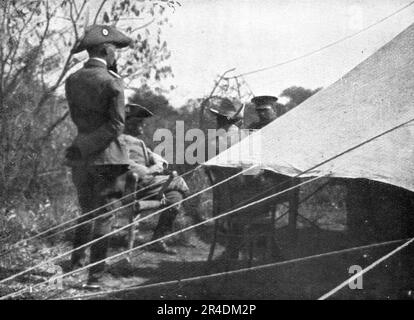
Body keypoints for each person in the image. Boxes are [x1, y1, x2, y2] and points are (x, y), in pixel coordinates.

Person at [64, 25, 132, 288]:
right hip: (107, 159)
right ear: (106, 49)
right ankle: (95, 278)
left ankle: (76, 265)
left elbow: (79, 119)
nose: (116, 55)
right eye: (115, 50)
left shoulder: (72, 80)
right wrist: (89, 146)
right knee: (104, 216)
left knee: (86, 212)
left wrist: (82, 147)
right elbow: (116, 125)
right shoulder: (112, 81)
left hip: (80, 158)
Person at [119, 103, 190, 255]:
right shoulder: (120, 141)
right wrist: (155, 168)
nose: (142, 125)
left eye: (142, 122)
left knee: (174, 197)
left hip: (145, 185)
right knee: (178, 182)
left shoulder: (139, 143)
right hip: (131, 187)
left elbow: (161, 161)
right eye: (138, 122)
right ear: (127, 123)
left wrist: (157, 165)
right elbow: (131, 168)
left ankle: (157, 240)